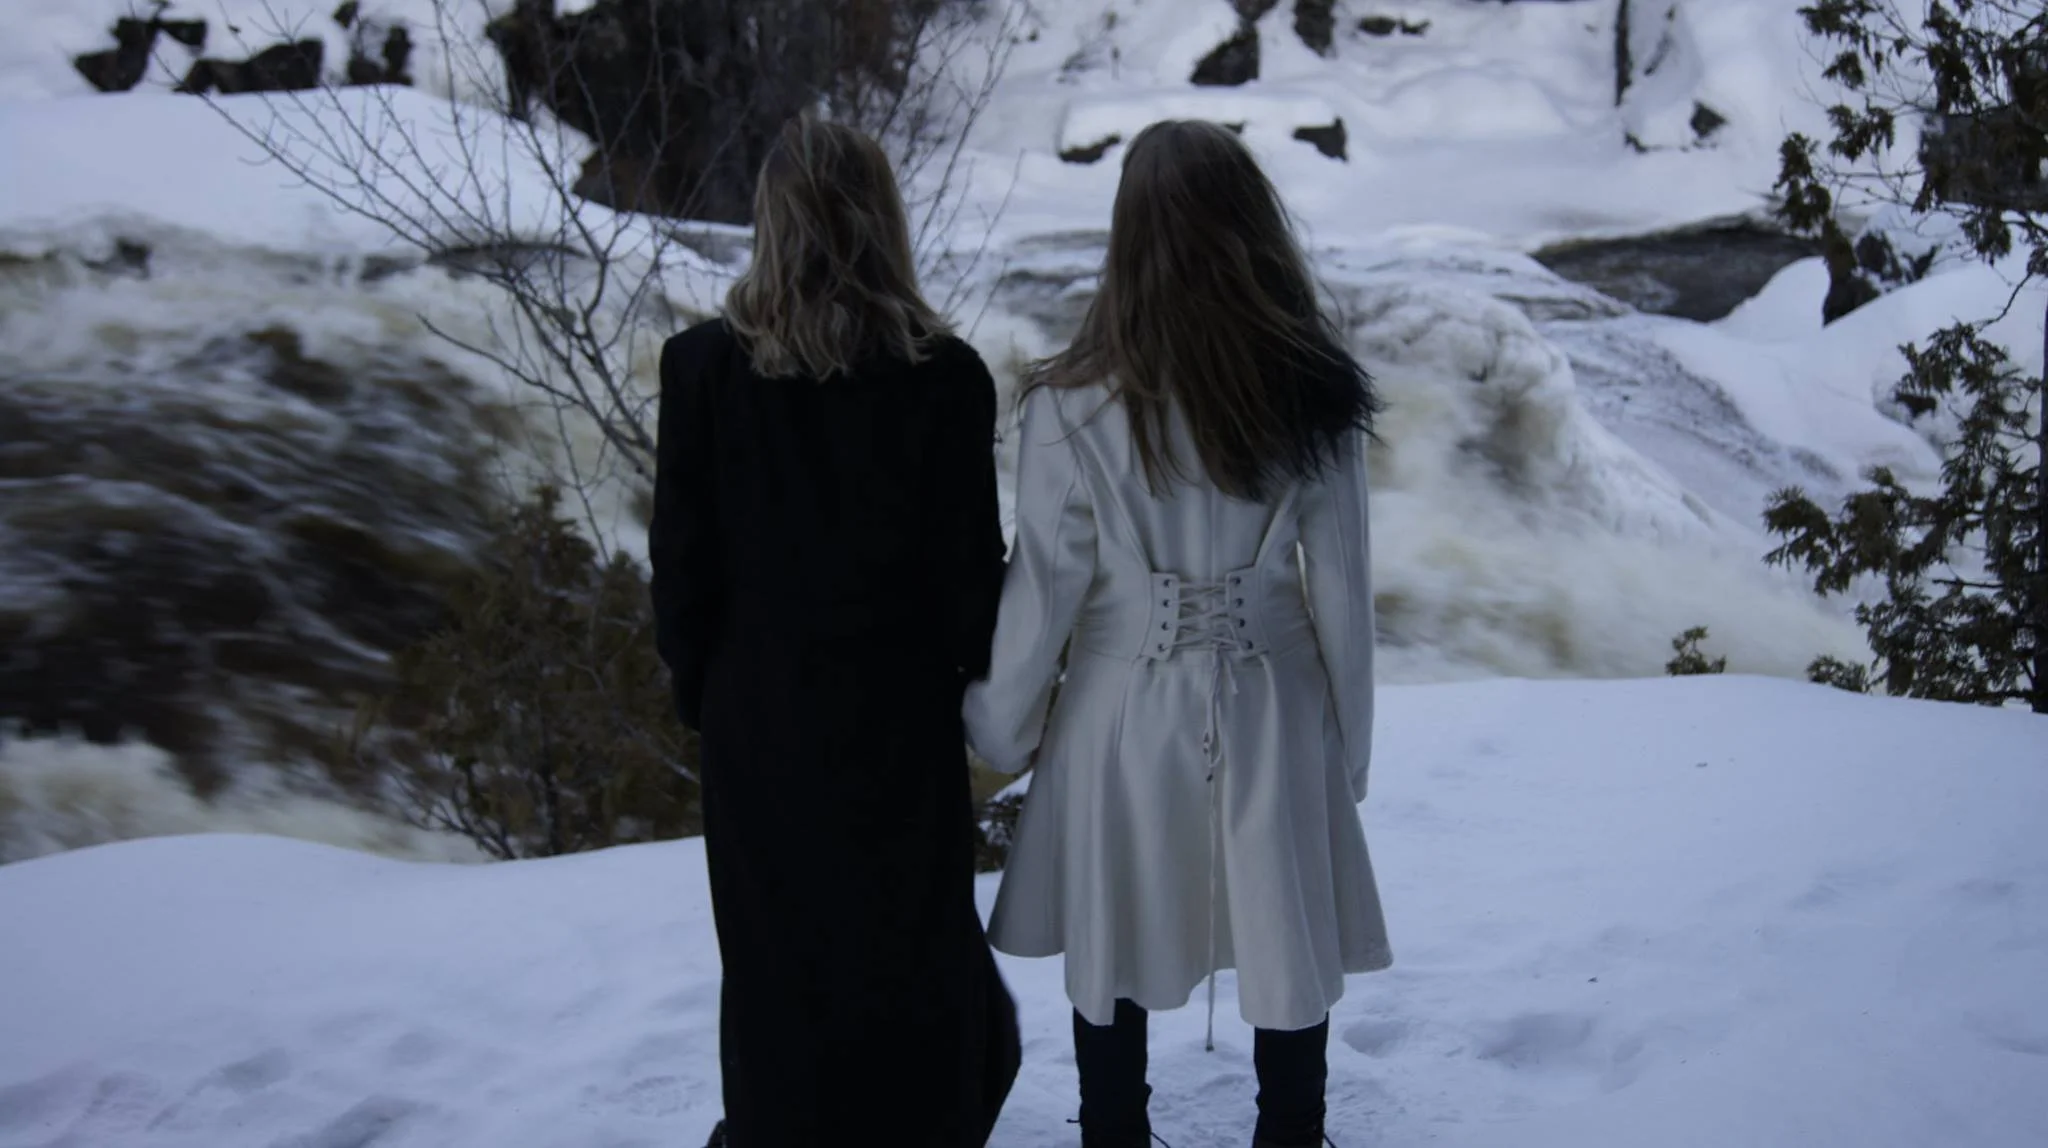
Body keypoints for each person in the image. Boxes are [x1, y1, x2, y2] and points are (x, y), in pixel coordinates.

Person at [963, 119, 1391, 1148]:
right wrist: (1349, 745)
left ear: (1128, 239)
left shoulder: (1069, 405)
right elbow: (1340, 588)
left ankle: (1112, 1131)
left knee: (1112, 923)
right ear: (1255, 230)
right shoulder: (1313, 387)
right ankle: (1291, 1132)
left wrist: (999, 726)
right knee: (1282, 919)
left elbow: (1044, 593)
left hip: (1116, 701)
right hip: (1274, 694)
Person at [649, 115, 1019, 1148]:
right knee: (910, 941)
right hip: (896, 715)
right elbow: (966, 587)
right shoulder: (946, 376)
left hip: (755, 716)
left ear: (770, 224)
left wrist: (704, 692)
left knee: (775, 957)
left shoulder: (701, 369)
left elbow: (680, 569)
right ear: (882, 224)